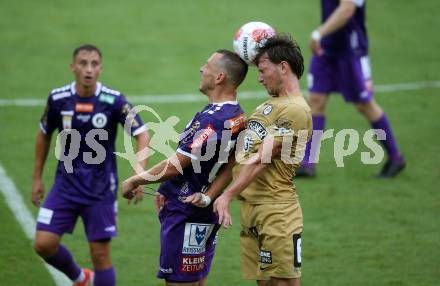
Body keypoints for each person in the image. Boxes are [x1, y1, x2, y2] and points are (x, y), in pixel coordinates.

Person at [187, 34, 312, 286]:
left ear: (283, 67)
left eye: (264, 70)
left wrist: (228, 195)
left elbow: (261, 159)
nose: (259, 77)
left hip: (276, 211)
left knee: (283, 282)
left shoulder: (296, 110)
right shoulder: (270, 105)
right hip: (252, 209)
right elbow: (239, 154)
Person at [121, 49, 248, 286]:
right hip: (200, 208)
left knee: (181, 283)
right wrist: (209, 196)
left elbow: (176, 165)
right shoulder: (237, 115)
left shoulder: (214, 119)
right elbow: (231, 163)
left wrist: (135, 180)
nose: (202, 69)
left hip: (187, 213)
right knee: (196, 281)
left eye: (207, 65)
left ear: (219, 77)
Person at [31, 44, 150, 286]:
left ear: (101, 69)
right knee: (43, 244)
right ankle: (80, 278)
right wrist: (37, 177)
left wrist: (139, 174)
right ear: (72, 67)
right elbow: (44, 133)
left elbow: (142, 133)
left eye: (94, 64)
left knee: (100, 255)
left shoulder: (113, 100)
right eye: (83, 63)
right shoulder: (58, 98)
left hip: (100, 190)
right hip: (64, 186)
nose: (88, 69)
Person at [297, 0, 405, 178]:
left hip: (350, 52)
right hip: (326, 48)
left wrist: (318, 33)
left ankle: (396, 157)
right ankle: (307, 163)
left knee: (364, 105)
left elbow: (347, 9)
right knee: (315, 100)